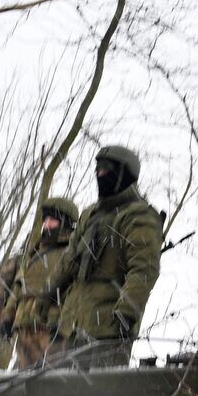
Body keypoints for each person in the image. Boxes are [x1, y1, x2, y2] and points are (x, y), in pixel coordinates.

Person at [49, 146, 163, 368]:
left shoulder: (139, 214)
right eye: (98, 170)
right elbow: (69, 264)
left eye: (107, 170)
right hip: (71, 328)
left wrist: (125, 313)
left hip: (108, 332)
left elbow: (144, 269)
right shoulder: (89, 215)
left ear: (126, 174)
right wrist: (48, 297)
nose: (100, 175)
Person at [2, 197, 78, 368]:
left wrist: (63, 327)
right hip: (24, 328)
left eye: (53, 220)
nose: (47, 224)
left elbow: (74, 293)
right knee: (23, 382)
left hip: (50, 330)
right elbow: (18, 287)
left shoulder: (71, 253)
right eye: (46, 220)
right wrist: (7, 318)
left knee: (50, 382)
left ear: (65, 223)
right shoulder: (35, 252)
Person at [0, 254, 22, 371]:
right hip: (9, 319)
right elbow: (0, 293)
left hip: (20, 319)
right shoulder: (16, 261)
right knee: (0, 360)